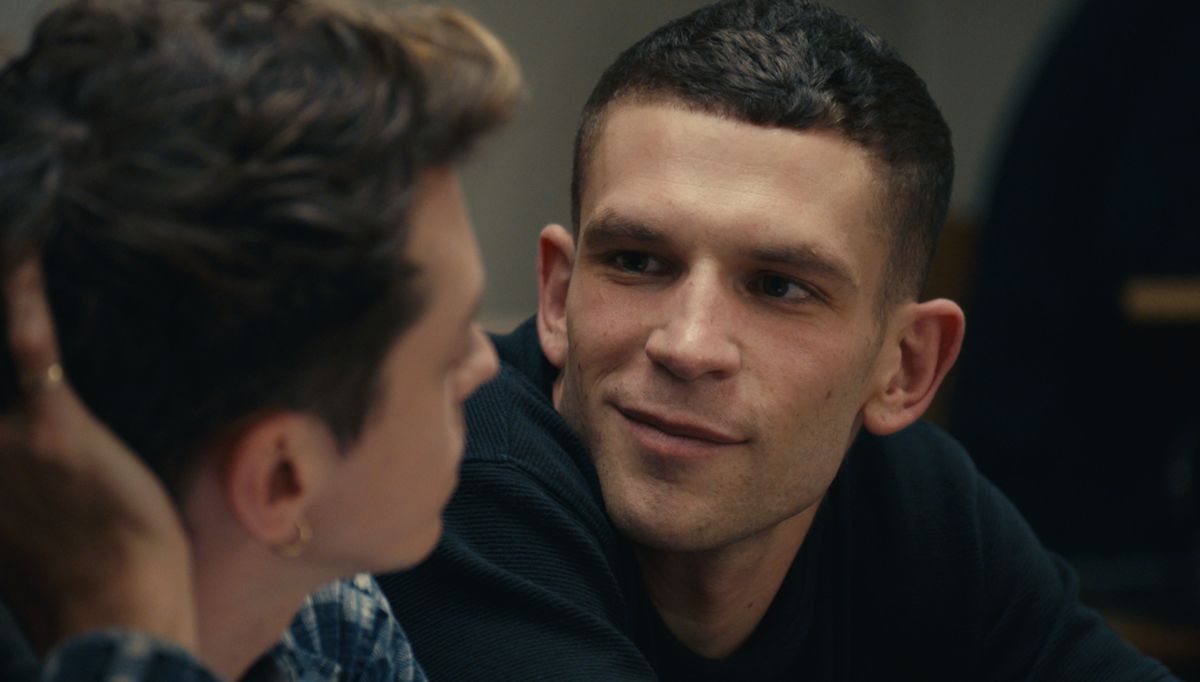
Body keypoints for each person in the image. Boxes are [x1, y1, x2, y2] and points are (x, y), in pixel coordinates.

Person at [378, 0, 1180, 679]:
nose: (688, 345)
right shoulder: (459, 470)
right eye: (636, 262)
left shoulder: (914, 505)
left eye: (779, 287)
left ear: (905, 367)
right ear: (558, 296)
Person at [0, 0, 518, 680]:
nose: (486, 361)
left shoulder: (329, 625)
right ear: (281, 478)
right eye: (448, 353)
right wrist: (133, 631)